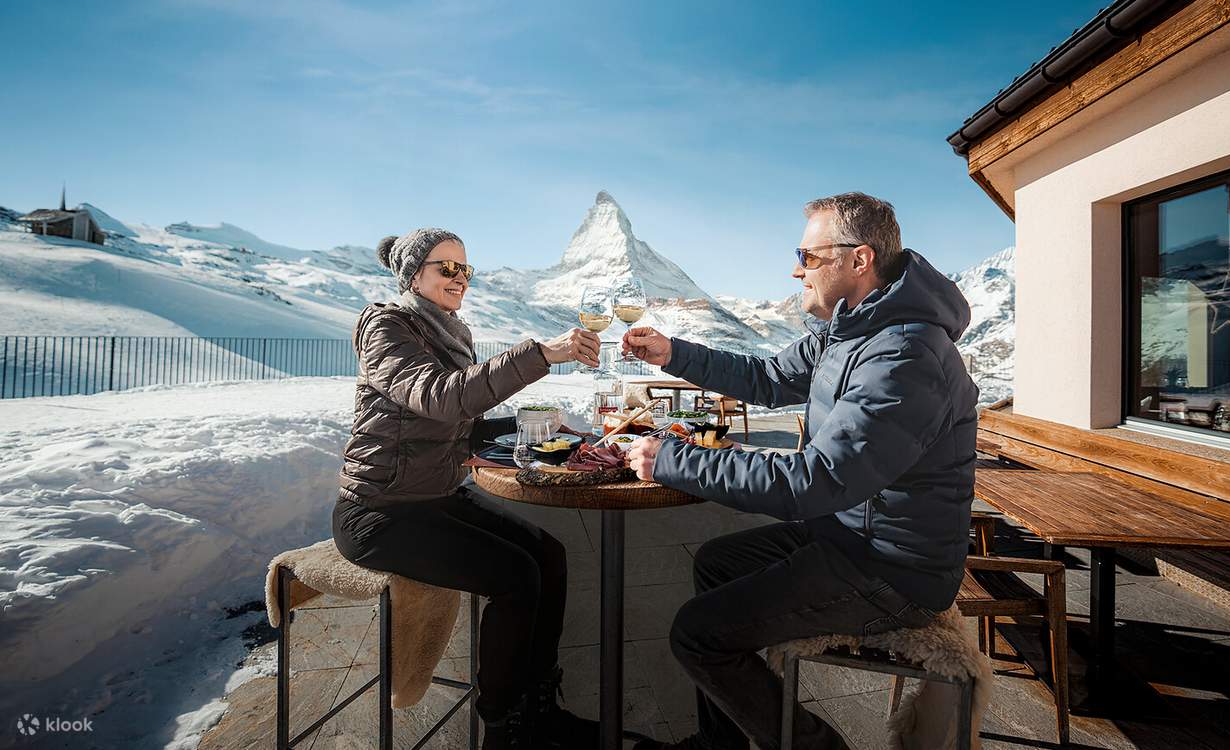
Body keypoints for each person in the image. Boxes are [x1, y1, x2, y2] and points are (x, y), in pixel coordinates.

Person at [620, 192, 979, 750]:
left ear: (859, 259)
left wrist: (670, 460)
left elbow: (814, 482)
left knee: (696, 634)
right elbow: (766, 378)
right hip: (846, 534)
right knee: (716, 563)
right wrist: (675, 354)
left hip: (893, 569)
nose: (796, 270)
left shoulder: (904, 357)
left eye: (808, 256)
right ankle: (722, 743)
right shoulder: (850, 331)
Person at [332, 227, 602, 750]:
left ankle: (538, 703)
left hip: (435, 498)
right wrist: (541, 354)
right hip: (378, 511)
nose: (459, 278)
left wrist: (532, 424)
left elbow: (458, 425)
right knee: (516, 577)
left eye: (465, 269)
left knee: (549, 555)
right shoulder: (386, 326)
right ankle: (504, 725)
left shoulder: (449, 331)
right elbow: (441, 398)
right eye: (446, 267)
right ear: (414, 275)